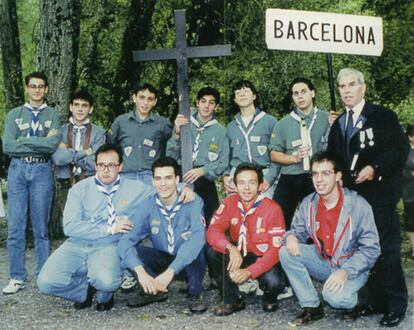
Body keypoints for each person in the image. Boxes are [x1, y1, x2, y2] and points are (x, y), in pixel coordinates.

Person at [37, 145, 195, 310]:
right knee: (46, 283)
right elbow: (69, 227)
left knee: (107, 282)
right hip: (77, 243)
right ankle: (84, 291)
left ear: (120, 167)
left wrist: (184, 188)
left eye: (111, 165)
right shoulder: (80, 189)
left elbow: (163, 187)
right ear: (95, 165)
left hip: (108, 246)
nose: (106, 170)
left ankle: (105, 294)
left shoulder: (135, 188)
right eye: (101, 165)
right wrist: (109, 228)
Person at [327, 68, 408, 327]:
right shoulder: (339, 123)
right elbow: (334, 159)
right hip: (352, 200)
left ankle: (396, 304)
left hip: (380, 196)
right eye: (342, 86)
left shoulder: (382, 116)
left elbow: (399, 149)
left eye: (352, 85)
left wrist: (375, 168)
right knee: (362, 250)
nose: (347, 90)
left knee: (386, 249)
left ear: (363, 88)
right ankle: (374, 299)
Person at [279, 151, 380, 326]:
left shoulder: (357, 204)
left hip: (352, 267)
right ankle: (311, 307)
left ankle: (367, 297)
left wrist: (346, 271)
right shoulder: (309, 203)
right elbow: (298, 231)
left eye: (326, 173)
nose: (319, 180)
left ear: (338, 175)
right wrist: (291, 237)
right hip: (326, 262)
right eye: (315, 174)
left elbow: (371, 249)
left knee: (334, 298)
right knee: (286, 252)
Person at [118, 157, 207, 313]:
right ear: (152, 181)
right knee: (134, 251)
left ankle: (194, 293)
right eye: (158, 178)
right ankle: (153, 289)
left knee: (195, 247)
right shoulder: (147, 205)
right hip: (163, 258)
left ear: (177, 179)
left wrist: (171, 272)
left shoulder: (192, 201)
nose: (163, 184)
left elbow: (198, 237)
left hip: (187, 262)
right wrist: (140, 273)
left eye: (168, 178)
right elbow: (126, 241)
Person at [2, 72, 62, 295]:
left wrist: (24, 140)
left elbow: (51, 146)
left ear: (46, 89)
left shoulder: (53, 115)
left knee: (41, 226)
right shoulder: (14, 115)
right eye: (32, 86)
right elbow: (8, 146)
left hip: (41, 169)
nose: (36, 90)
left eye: (40, 86)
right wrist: (39, 142)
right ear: (27, 89)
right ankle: (16, 276)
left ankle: (44, 274)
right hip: (17, 169)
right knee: (15, 226)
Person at [206, 163, 286, 316]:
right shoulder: (229, 203)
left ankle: (270, 295)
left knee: (274, 282)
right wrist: (230, 247)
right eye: (241, 183)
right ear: (235, 186)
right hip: (239, 252)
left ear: (260, 185)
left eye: (252, 182)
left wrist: (249, 272)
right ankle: (232, 299)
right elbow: (212, 231)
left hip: (261, 256)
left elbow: (275, 251)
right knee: (212, 251)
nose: (246, 188)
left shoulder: (273, 208)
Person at [270, 78, 329, 229]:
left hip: (316, 176)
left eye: (304, 92)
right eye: (296, 93)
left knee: (316, 221)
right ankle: (281, 250)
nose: (300, 97)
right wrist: (293, 158)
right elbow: (274, 154)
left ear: (313, 92)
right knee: (278, 219)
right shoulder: (283, 123)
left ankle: (314, 250)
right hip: (290, 176)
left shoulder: (327, 119)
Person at [167, 86, 229, 225]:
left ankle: (208, 246)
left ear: (216, 106)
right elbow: (170, 154)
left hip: (205, 178)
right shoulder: (184, 123)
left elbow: (223, 162)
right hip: (183, 174)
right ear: (197, 102)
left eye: (211, 102)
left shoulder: (220, 131)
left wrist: (203, 170)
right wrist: (177, 132)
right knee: (179, 219)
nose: (206, 106)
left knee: (210, 220)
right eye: (203, 101)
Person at [51, 90, 106, 235]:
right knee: (71, 225)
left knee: (92, 223)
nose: (80, 109)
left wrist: (68, 151)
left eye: (84, 105)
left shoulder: (99, 133)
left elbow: (95, 162)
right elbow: (57, 158)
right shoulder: (60, 131)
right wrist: (85, 152)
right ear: (70, 107)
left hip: (90, 182)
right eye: (76, 105)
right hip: (65, 183)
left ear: (91, 108)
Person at [224, 80, 279, 199]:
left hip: (263, 175)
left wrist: (269, 179)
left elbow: (278, 153)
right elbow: (226, 156)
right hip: (238, 176)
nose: (242, 94)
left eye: (246, 91)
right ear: (235, 99)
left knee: (264, 213)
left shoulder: (270, 121)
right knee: (235, 213)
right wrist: (226, 176)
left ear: (254, 96)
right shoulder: (231, 127)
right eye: (238, 92)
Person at [108, 83, 172, 185]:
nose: (145, 102)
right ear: (134, 98)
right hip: (125, 176)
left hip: (152, 177)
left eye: (150, 99)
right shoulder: (121, 122)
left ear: (154, 102)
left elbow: (170, 148)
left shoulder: (163, 124)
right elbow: (109, 146)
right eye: (142, 97)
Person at [402, 124, 414, 259]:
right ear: (410, 137)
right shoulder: (404, 153)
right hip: (410, 192)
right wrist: (410, 174)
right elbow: (399, 171)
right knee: (411, 222)